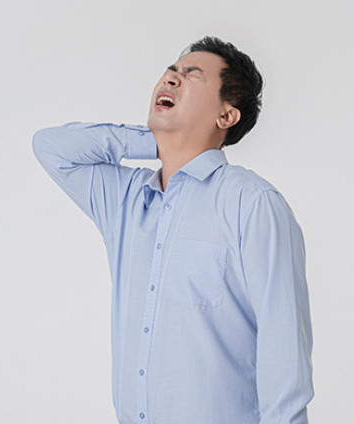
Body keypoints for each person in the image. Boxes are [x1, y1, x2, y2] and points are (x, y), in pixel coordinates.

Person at [32, 35, 314, 424]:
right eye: (170, 71)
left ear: (226, 116)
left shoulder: (251, 203)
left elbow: (283, 346)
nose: (170, 78)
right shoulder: (125, 201)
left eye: (191, 75)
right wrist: (155, 142)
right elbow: (51, 147)